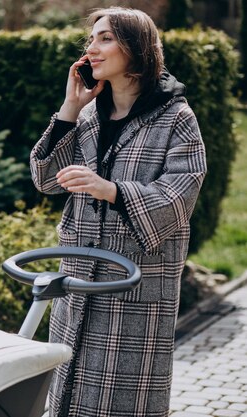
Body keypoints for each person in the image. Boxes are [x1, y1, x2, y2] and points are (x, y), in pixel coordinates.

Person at [29, 7, 206, 417]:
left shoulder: (177, 118)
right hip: (77, 280)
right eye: (91, 39)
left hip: (134, 291)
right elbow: (46, 180)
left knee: (124, 405)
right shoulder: (89, 115)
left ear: (137, 47)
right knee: (68, 398)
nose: (91, 48)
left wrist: (111, 191)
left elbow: (180, 195)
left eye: (104, 38)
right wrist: (69, 109)